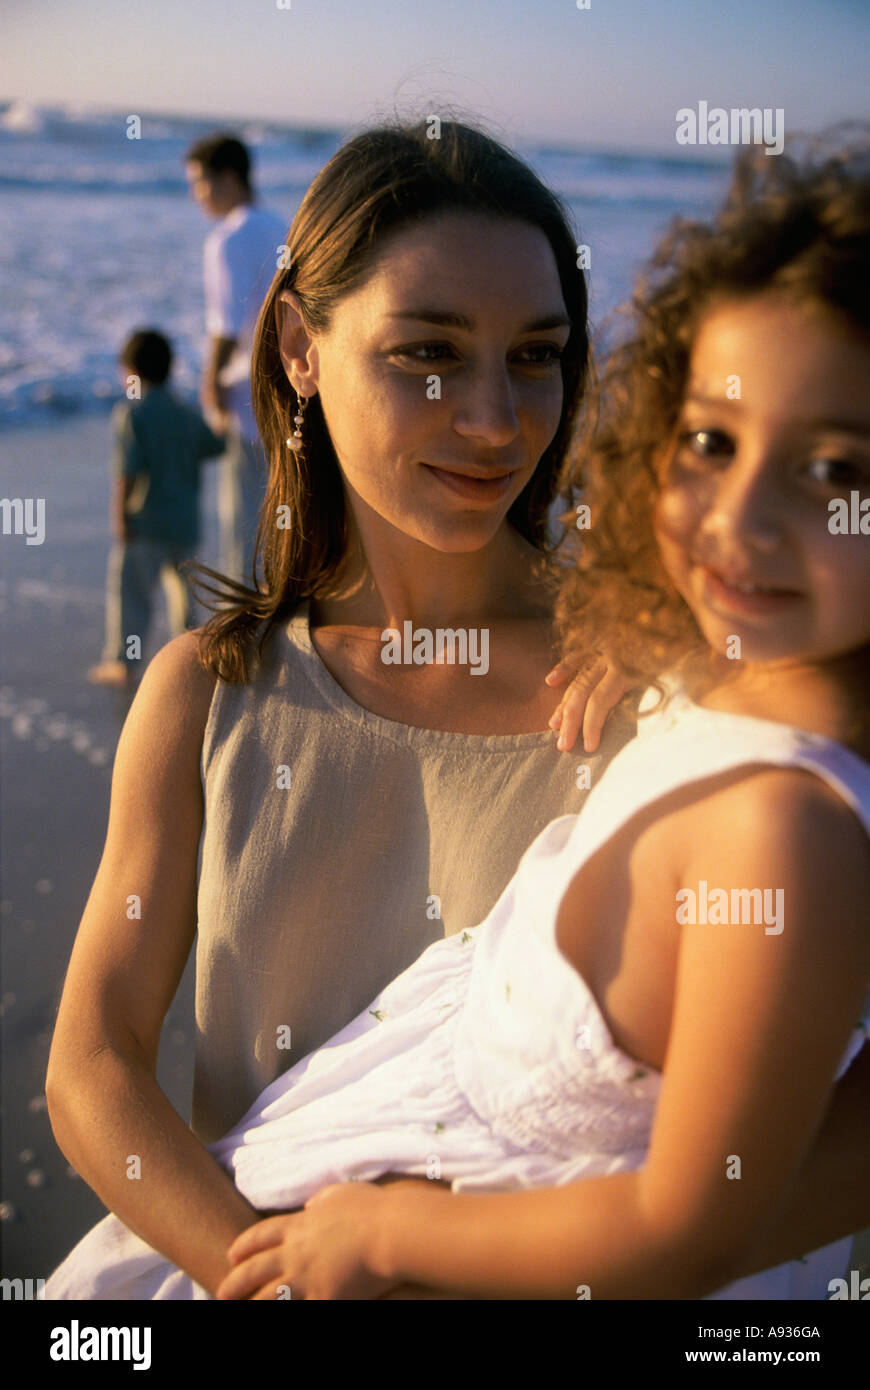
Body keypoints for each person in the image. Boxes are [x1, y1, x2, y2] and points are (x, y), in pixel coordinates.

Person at [46, 120, 870, 1301]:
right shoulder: (206, 694)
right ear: (297, 348)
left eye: (536, 357)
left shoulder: (682, 701)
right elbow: (92, 1067)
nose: (495, 420)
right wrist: (269, 1281)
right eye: (429, 353)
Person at [88, 329, 226, 691]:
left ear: (132, 372)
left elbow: (127, 473)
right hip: (185, 525)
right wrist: (219, 407)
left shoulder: (133, 414)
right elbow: (216, 445)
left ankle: (124, 663)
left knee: (133, 596)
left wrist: (119, 516)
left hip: (146, 524)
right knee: (185, 601)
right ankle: (195, 660)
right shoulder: (185, 414)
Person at [185, 133, 287, 585]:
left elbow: (226, 325)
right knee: (280, 510)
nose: (196, 195)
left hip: (247, 391)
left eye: (199, 183)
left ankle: (243, 625)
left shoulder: (227, 239)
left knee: (241, 517)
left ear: (228, 178)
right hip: (291, 383)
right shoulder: (281, 226)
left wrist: (210, 383)